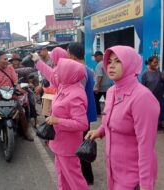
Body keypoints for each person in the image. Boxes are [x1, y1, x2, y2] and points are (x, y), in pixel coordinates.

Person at [86, 46, 160, 190]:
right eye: (110, 61)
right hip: (113, 171)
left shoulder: (142, 97)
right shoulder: (112, 91)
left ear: (130, 64)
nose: (111, 65)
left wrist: (145, 184)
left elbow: (146, 147)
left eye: (118, 61)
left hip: (133, 179)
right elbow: (111, 119)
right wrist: (100, 131)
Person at [34, 53, 89, 189]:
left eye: (60, 70)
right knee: (62, 175)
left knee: (74, 179)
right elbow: (51, 74)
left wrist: (57, 120)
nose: (56, 73)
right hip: (59, 142)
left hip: (68, 146)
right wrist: (37, 61)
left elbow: (82, 124)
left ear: (68, 74)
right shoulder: (64, 86)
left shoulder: (76, 95)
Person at [0, 51, 33, 141]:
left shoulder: (10, 69)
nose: (7, 61)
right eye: (5, 59)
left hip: (11, 94)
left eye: (7, 59)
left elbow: (15, 82)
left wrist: (19, 88)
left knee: (21, 112)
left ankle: (26, 131)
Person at [67, 42, 97, 185]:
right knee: (83, 143)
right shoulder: (88, 69)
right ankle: (87, 176)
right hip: (87, 112)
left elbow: (77, 95)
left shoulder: (79, 70)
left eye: (68, 53)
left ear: (72, 55)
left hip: (81, 114)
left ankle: (87, 177)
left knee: (81, 146)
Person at [9, 53, 38, 128]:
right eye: (13, 61)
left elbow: (28, 78)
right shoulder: (8, 68)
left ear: (19, 61)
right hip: (12, 88)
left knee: (31, 98)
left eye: (17, 60)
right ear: (11, 61)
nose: (15, 62)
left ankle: (35, 120)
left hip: (24, 87)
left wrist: (30, 83)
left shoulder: (23, 68)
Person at [142, 55, 164, 128]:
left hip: (159, 96)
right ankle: (150, 125)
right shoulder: (145, 74)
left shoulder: (158, 72)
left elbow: (163, 81)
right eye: (155, 62)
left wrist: (163, 77)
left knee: (159, 109)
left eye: (157, 62)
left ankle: (159, 123)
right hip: (150, 97)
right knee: (151, 111)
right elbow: (142, 87)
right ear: (149, 63)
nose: (156, 64)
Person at [93, 51, 111, 115]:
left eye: (95, 56)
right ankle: (109, 112)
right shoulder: (106, 63)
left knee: (95, 99)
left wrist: (97, 87)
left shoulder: (99, 65)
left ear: (100, 56)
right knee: (108, 101)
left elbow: (100, 76)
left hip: (101, 87)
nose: (95, 58)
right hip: (108, 86)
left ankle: (98, 113)